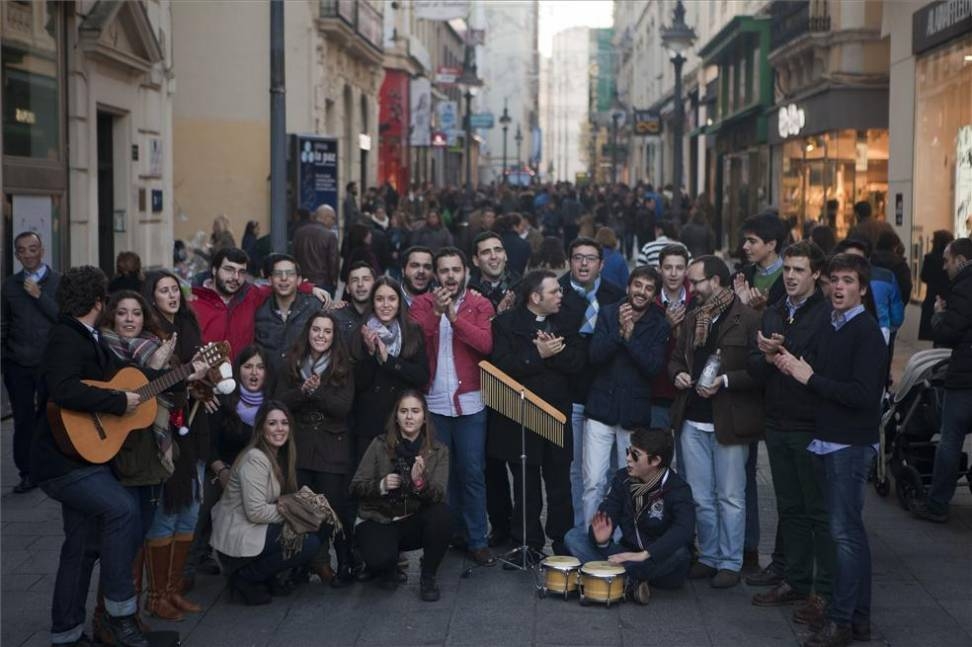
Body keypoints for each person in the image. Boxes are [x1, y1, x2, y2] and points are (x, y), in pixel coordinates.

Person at [31, 266, 205, 647]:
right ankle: (120, 616)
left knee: (80, 547)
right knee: (123, 509)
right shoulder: (67, 336)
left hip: (80, 455)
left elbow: (130, 379)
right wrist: (115, 402)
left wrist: (182, 373)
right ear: (99, 302)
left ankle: (67, 634)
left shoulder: (87, 336)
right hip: (62, 461)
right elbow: (63, 389)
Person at [774, 253, 888, 647]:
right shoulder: (832, 323)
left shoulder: (866, 332)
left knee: (844, 535)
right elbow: (817, 369)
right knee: (849, 533)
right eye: (835, 280)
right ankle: (857, 619)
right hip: (826, 439)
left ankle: (841, 622)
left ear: (863, 289)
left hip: (848, 444)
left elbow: (862, 395)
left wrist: (810, 378)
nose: (838, 287)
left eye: (848, 281)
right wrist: (787, 360)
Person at [746, 242, 835, 620]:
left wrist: (786, 352)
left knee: (818, 511)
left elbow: (824, 367)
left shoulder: (826, 314)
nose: (791, 276)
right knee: (790, 508)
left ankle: (824, 591)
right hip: (777, 419)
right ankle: (795, 579)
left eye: (799, 270)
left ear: (816, 273)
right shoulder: (775, 310)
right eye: (787, 270)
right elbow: (754, 367)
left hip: (809, 423)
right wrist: (766, 356)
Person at [668, 255, 763, 589]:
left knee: (731, 496)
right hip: (692, 418)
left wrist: (724, 381)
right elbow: (677, 359)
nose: (691, 288)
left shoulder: (748, 319)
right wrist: (678, 374)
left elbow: (758, 371)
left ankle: (730, 561)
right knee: (700, 495)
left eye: (696, 281)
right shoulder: (693, 317)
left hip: (729, 421)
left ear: (716, 281)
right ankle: (709, 556)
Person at [95, 289, 179, 635]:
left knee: (139, 535)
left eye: (136, 313)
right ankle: (108, 615)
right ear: (111, 316)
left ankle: (128, 612)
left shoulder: (153, 346)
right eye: (122, 313)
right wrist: (154, 367)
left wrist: (185, 372)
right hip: (115, 453)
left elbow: (172, 395)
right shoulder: (102, 348)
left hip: (150, 453)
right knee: (120, 542)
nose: (130, 319)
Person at [409, 247, 495, 566]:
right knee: (441, 476)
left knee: (472, 472)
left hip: (471, 404)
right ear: (436, 274)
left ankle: (477, 539)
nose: (450, 276)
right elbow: (415, 341)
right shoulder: (422, 303)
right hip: (434, 403)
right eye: (444, 270)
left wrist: (454, 318)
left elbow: (485, 344)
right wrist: (436, 313)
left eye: (455, 270)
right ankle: (447, 536)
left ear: (465, 272)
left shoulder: (479, 304)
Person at [488, 270, 585, 554]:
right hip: (522, 415)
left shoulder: (567, 320)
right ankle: (528, 542)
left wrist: (554, 353)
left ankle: (563, 542)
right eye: (554, 291)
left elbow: (578, 362)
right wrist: (538, 355)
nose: (560, 295)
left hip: (557, 413)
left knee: (559, 483)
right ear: (535, 297)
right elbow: (503, 365)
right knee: (525, 484)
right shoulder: (506, 323)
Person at [140, 272, 211, 621]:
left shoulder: (188, 325)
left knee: (190, 513)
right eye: (163, 290)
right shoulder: (148, 334)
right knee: (166, 514)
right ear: (151, 297)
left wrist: (206, 378)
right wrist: (187, 377)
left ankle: (173, 590)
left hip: (194, 431)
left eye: (174, 290)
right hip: (164, 434)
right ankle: (156, 596)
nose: (172, 295)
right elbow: (148, 383)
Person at [564, 428, 695, 605]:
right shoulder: (622, 478)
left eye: (635, 455)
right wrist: (601, 540)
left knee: (680, 552)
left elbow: (684, 530)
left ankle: (614, 578)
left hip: (659, 561)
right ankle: (630, 581)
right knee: (573, 537)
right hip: (626, 553)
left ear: (655, 460)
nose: (628, 458)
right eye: (628, 451)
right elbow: (608, 511)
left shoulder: (678, 489)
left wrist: (645, 555)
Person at [582, 266, 670, 526]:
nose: (641, 292)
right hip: (601, 408)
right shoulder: (609, 312)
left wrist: (631, 339)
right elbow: (595, 356)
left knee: (632, 482)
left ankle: (625, 538)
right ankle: (591, 538)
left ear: (654, 294)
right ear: (628, 286)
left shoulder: (659, 323)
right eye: (638, 285)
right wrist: (619, 332)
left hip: (633, 414)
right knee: (593, 481)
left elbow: (653, 367)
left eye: (648, 288)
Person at [210, 402, 320, 606]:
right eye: (272, 423)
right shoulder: (255, 458)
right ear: (261, 428)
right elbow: (256, 512)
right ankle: (245, 577)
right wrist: (294, 512)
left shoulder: (280, 455)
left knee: (312, 527)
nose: (280, 428)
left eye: (284, 423)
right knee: (308, 542)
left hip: (255, 530)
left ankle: (266, 576)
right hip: (239, 537)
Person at [276, 313, 356, 586]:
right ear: (308, 332)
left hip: (331, 445)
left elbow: (343, 407)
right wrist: (302, 391)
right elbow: (279, 401)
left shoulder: (343, 365)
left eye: (327, 331)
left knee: (335, 508)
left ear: (334, 336)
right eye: (316, 329)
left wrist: (317, 391)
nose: (321, 335)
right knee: (301, 508)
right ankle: (303, 564)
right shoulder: (291, 361)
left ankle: (345, 561)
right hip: (300, 444)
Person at [350, 391, 451, 601]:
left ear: (424, 417)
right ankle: (383, 565)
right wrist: (381, 485)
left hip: (412, 519)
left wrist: (419, 483)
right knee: (380, 560)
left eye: (415, 411)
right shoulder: (379, 444)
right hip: (380, 518)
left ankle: (428, 576)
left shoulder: (438, 450)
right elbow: (355, 486)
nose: (409, 416)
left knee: (442, 515)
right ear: (396, 417)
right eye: (403, 411)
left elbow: (439, 494)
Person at [558, 237, 625, 530]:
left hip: (606, 394)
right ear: (569, 261)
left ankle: (608, 526)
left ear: (601, 264)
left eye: (590, 258)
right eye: (578, 258)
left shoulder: (616, 295)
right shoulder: (556, 292)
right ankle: (580, 527)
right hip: (571, 393)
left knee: (605, 469)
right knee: (575, 468)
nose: (584, 264)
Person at [912, 238, 972, 524]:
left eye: (947, 261)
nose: (945, 266)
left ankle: (937, 504)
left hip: (965, 377)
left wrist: (938, 316)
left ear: (960, 260)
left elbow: (949, 333)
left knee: (950, 439)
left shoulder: (964, 287)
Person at [191, 248, 326, 361]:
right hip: (208, 380)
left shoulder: (251, 295)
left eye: (241, 272)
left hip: (244, 378)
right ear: (214, 270)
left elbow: (279, 285)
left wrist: (309, 288)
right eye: (229, 270)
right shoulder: (193, 303)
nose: (235, 277)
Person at [2, 231, 60, 494]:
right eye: (22, 250)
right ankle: (27, 472)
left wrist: (39, 296)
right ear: (16, 255)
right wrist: (5, 358)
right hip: (18, 363)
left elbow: (63, 318)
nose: (28, 255)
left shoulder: (58, 282)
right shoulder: (9, 286)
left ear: (42, 250)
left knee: (49, 417)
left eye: (32, 249)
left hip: (49, 362)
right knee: (23, 420)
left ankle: (50, 467)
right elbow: (3, 323)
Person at [352, 277, 430, 466]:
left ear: (399, 302)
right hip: (369, 425)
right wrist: (371, 354)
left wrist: (389, 361)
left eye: (392, 299)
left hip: (403, 423)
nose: (386, 305)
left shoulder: (413, 331)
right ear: (372, 303)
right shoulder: (361, 332)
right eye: (380, 299)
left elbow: (421, 376)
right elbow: (357, 383)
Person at [651, 245, 691, 442]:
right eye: (668, 267)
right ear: (660, 269)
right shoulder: (650, 301)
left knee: (688, 458)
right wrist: (665, 327)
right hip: (657, 393)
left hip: (689, 394)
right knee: (658, 452)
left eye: (679, 268)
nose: (673, 274)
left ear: (687, 270)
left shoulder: (697, 301)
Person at [254, 254, 323, 370]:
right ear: (270, 280)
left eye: (290, 273)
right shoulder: (259, 310)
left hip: (303, 378)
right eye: (278, 274)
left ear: (299, 280)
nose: (284, 278)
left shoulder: (314, 308)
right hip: (269, 379)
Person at [468, 231, 520, 315]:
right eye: (486, 252)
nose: (493, 256)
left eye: (498, 250)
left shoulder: (523, 288)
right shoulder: (467, 293)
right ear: (476, 260)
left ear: (505, 255)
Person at [293, 206, 340, 296]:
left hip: (302, 282)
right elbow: (333, 262)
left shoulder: (299, 232)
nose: (333, 222)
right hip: (324, 283)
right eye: (333, 218)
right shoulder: (330, 236)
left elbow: (294, 257)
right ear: (326, 217)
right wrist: (334, 282)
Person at [918, 230, 954, 342]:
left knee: (933, 333)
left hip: (931, 297)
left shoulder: (930, 258)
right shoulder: (951, 260)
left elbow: (924, 277)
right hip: (948, 298)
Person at [333, 261, 376, 343]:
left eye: (365, 279)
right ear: (347, 288)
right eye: (354, 280)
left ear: (375, 285)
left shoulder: (382, 316)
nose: (360, 284)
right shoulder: (336, 318)